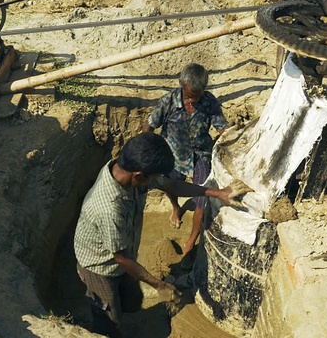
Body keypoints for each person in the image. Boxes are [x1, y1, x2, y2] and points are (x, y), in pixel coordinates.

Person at [73, 132, 245, 338]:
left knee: (132, 301)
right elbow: (121, 258)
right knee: (109, 318)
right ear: (139, 175)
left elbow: (171, 185)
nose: (155, 182)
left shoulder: (124, 168)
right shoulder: (109, 208)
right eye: (152, 179)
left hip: (121, 251)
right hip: (99, 265)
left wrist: (216, 193)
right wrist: (160, 285)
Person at [143, 63, 227, 257]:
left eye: (197, 96)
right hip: (172, 153)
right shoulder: (168, 102)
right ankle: (176, 208)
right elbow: (149, 126)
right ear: (181, 84)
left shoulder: (209, 102)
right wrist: (147, 150)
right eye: (189, 95)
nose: (193, 100)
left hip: (201, 154)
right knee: (170, 185)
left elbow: (221, 127)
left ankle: (191, 241)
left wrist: (229, 138)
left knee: (202, 197)